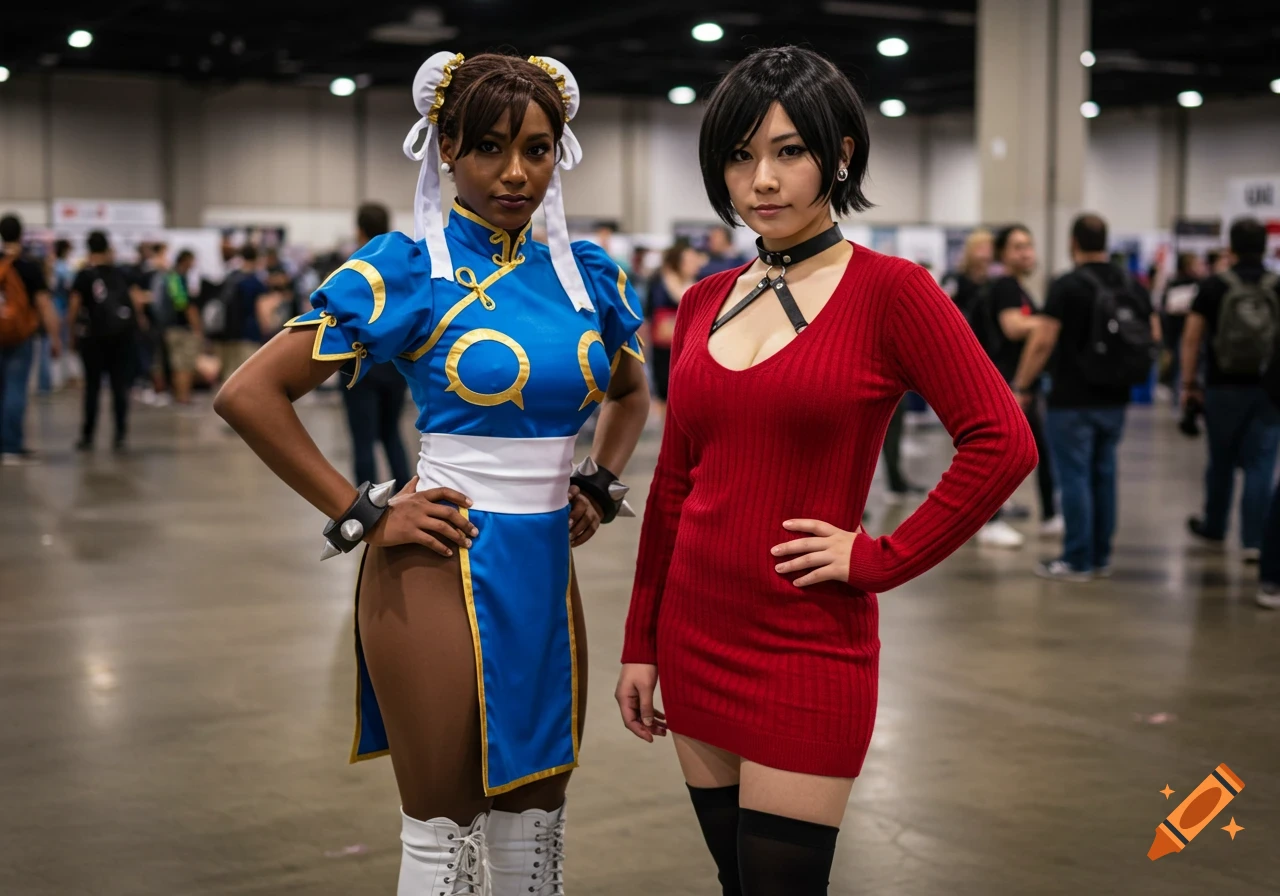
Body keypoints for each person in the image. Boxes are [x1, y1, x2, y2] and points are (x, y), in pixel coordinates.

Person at [215, 51, 649, 895]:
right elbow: (250, 393)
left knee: (537, 818)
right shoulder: (409, 265)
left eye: (537, 147)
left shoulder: (585, 272)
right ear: (444, 148)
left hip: (546, 572)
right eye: (487, 147)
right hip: (437, 565)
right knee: (446, 829)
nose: (515, 172)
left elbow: (632, 392)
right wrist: (364, 512)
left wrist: (598, 483)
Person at [616, 46, 1037, 896]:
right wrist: (640, 642)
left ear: (840, 154)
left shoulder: (893, 292)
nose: (761, 180)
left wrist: (880, 558)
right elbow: (672, 485)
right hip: (694, 634)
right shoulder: (702, 299)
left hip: (806, 642)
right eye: (740, 156)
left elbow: (1003, 440)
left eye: (789, 151)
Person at [1010, 214, 1161, 580]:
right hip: (1115, 396)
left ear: (1073, 242)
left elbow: (1043, 340)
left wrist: (1022, 386)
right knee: (1104, 473)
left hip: (1071, 398)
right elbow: (1154, 334)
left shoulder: (1068, 285)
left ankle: (1077, 559)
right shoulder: (1132, 283)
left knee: (1074, 476)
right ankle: (1101, 555)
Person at [1181, 217, 1280, 562]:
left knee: (1220, 460)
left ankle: (1215, 525)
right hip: (1270, 389)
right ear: (1265, 247)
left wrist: (1189, 384)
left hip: (1222, 388)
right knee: (1261, 465)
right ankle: (1254, 540)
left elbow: (1192, 338)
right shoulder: (1277, 285)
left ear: (1231, 247)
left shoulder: (1213, 287)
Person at [971, 224, 1060, 547]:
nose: (1026, 252)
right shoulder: (1006, 287)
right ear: (1003, 255)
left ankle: (1050, 514)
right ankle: (990, 522)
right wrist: (1048, 323)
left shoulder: (1018, 288)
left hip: (1020, 383)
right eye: (1018, 247)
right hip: (1006, 384)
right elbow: (1012, 327)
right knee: (999, 455)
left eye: (1029, 245)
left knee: (1041, 451)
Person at [340, 202, 414, 493]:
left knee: (363, 440)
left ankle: (366, 501)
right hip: (396, 367)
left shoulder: (353, 268)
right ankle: (408, 492)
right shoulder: (404, 268)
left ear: (358, 230)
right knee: (391, 433)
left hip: (359, 369)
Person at [68, 231, 140, 452]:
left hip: (93, 339)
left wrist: (71, 335)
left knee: (92, 387)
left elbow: (74, 307)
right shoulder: (120, 273)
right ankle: (120, 435)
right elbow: (135, 303)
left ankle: (88, 435)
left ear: (88, 249)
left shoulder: (84, 275)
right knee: (120, 387)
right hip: (121, 338)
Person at [0, 213, 61, 466]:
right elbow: (44, 304)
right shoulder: (28, 266)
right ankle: (11, 446)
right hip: (20, 334)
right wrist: (55, 337)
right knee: (15, 388)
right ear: (21, 234)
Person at [646, 240, 704, 417]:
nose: (694, 265)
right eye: (689, 261)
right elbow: (649, 313)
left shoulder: (699, 282)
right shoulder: (659, 281)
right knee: (664, 386)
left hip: (690, 344)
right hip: (663, 344)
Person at [155, 249, 203, 404]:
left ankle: (179, 396)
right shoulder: (178, 278)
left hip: (169, 328)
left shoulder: (169, 277)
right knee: (184, 365)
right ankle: (184, 397)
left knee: (177, 364)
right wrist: (197, 328)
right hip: (180, 329)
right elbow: (183, 304)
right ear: (185, 261)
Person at [1160, 251, 1206, 409]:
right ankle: (1181, 398)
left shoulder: (1176, 284)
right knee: (1183, 365)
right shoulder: (1199, 285)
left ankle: (1180, 398)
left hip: (1178, 332)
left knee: (1180, 366)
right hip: (1183, 333)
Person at [939, 228, 993, 317]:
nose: (986, 253)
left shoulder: (992, 284)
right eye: (981, 248)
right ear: (970, 250)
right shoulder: (954, 279)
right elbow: (943, 304)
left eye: (989, 249)